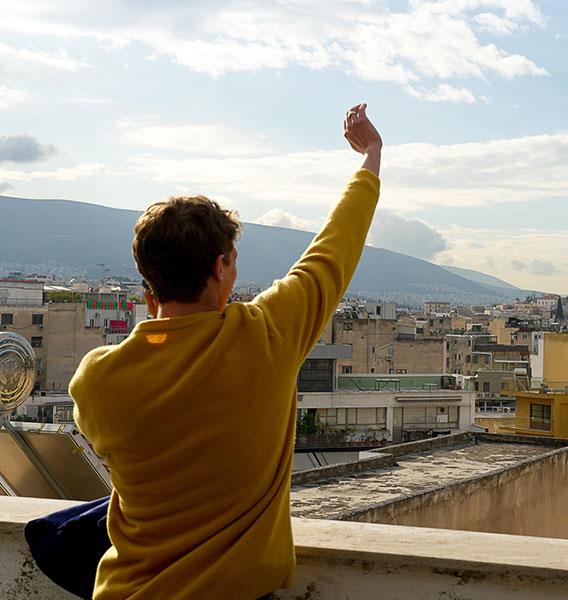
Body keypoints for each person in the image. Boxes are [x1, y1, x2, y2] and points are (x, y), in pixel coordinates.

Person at [68, 104, 382, 599]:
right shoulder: (266, 335)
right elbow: (332, 250)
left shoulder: (96, 380)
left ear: (149, 287)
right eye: (233, 262)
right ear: (219, 268)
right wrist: (371, 158)